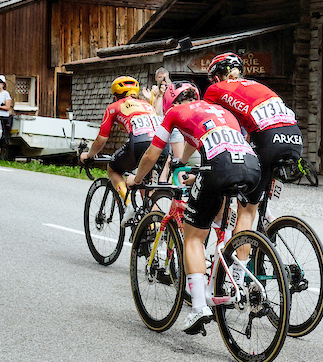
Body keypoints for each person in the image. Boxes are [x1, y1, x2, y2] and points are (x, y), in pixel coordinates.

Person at [129, 81, 261, 335]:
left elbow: (151, 155)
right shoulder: (218, 110)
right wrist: (185, 165)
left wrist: (137, 179)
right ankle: (233, 277)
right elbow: (193, 148)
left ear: (170, 102)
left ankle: (199, 307)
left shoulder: (174, 113)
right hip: (251, 165)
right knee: (223, 217)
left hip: (220, 166)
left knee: (193, 237)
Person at [204, 52, 302, 226]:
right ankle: (266, 224)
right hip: (295, 138)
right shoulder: (255, 85)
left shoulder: (216, 89)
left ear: (216, 77)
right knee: (258, 189)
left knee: (246, 211)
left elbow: (213, 126)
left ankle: (242, 242)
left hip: (268, 140)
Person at [80, 76, 162, 226]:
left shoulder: (114, 106)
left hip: (140, 143)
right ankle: (157, 229)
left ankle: (129, 205)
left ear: (115, 95)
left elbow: (101, 140)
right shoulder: (147, 105)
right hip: (162, 146)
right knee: (147, 192)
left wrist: (89, 154)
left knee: (113, 169)